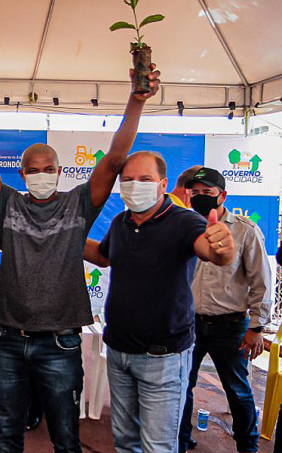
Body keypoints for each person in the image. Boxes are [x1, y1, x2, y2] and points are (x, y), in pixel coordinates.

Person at [0, 63, 161, 452]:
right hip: (6, 340)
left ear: (60, 171)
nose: (41, 175)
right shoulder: (7, 204)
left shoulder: (79, 205)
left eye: (48, 169)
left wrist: (136, 100)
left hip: (60, 344)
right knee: (6, 434)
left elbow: (113, 160)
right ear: (23, 173)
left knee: (66, 438)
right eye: (33, 170)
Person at [84, 152, 236, 453]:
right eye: (128, 180)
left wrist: (223, 248)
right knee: (125, 442)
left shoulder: (185, 221)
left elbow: (212, 252)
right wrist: (63, 234)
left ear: (163, 184)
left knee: (158, 447)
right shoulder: (121, 221)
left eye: (145, 180)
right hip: (119, 352)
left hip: (163, 359)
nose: (134, 186)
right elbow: (103, 256)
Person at [178, 167, 271, 453]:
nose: (201, 198)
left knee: (238, 390)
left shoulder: (245, 230)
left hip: (230, 327)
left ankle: (247, 446)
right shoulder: (183, 227)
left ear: (223, 195)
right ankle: (181, 440)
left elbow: (262, 282)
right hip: (189, 324)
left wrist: (256, 328)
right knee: (181, 387)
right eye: (195, 193)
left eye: (208, 193)